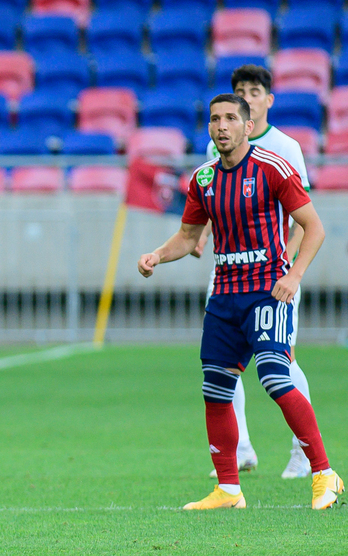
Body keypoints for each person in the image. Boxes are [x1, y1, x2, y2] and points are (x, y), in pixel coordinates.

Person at [137, 94, 342, 510]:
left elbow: (314, 227)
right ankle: (229, 490)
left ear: (248, 126)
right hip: (224, 296)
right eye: (215, 119)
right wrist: (157, 255)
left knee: (275, 377)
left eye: (231, 118)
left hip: (267, 290)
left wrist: (293, 276)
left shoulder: (272, 167)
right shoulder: (204, 179)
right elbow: (189, 237)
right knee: (216, 388)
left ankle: (325, 474)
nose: (222, 126)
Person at [198, 65, 314, 479]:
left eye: (253, 91)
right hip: (228, 274)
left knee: (282, 361)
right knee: (221, 365)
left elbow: (302, 216)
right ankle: (242, 448)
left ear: (267, 100)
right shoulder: (216, 146)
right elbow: (216, 200)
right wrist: (200, 236)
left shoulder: (285, 147)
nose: (247, 96)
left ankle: (304, 452)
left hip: (273, 276)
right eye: (240, 90)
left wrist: (287, 267)